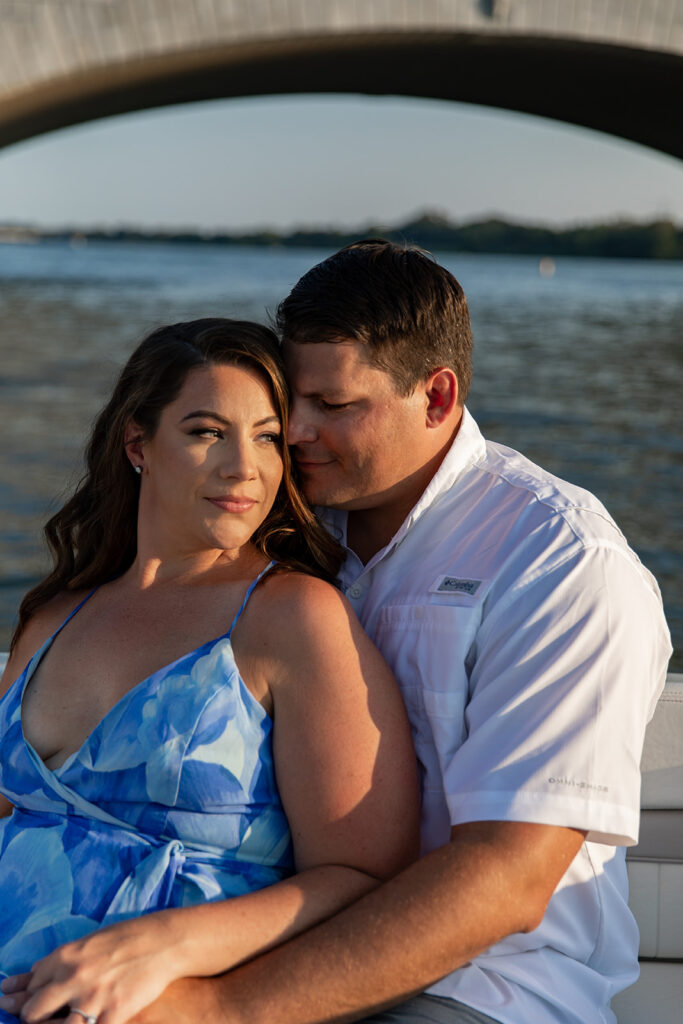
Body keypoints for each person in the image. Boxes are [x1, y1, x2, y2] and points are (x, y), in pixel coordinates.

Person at [117, 241, 670, 1024]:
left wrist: (216, 1010)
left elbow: (505, 879)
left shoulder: (557, 562)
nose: (296, 433)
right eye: (290, 404)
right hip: (261, 940)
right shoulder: (281, 526)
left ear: (436, 397)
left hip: (477, 987)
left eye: (334, 407)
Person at [0, 317, 419, 1024]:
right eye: (205, 432)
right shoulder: (54, 618)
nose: (243, 468)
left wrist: (169, 947)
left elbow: (365, 875)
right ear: (139, 444)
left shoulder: (290, 618)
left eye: (265, 436)